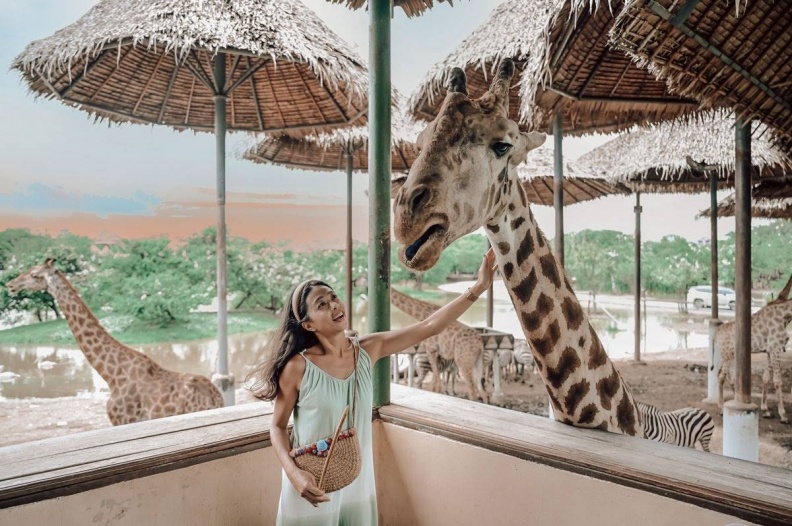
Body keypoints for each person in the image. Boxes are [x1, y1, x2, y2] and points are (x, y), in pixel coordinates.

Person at [247, 248, 497, 525]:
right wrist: (294, 474)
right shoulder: (297, 367)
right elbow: (278, 426)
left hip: (356, 483)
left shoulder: (369, 350)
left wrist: (478, 287)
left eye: (334, 297)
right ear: (307, 325)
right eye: (322, 305)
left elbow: (430, 326)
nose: (334, 306)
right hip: (310, 486)